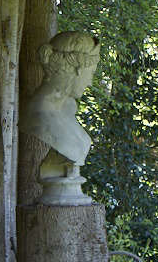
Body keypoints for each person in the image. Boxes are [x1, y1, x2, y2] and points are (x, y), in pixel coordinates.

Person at [19, 31, 100, 204]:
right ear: (77, 70)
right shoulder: (37, 115)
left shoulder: (67, 111)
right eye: (91, 74)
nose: (90, 83)